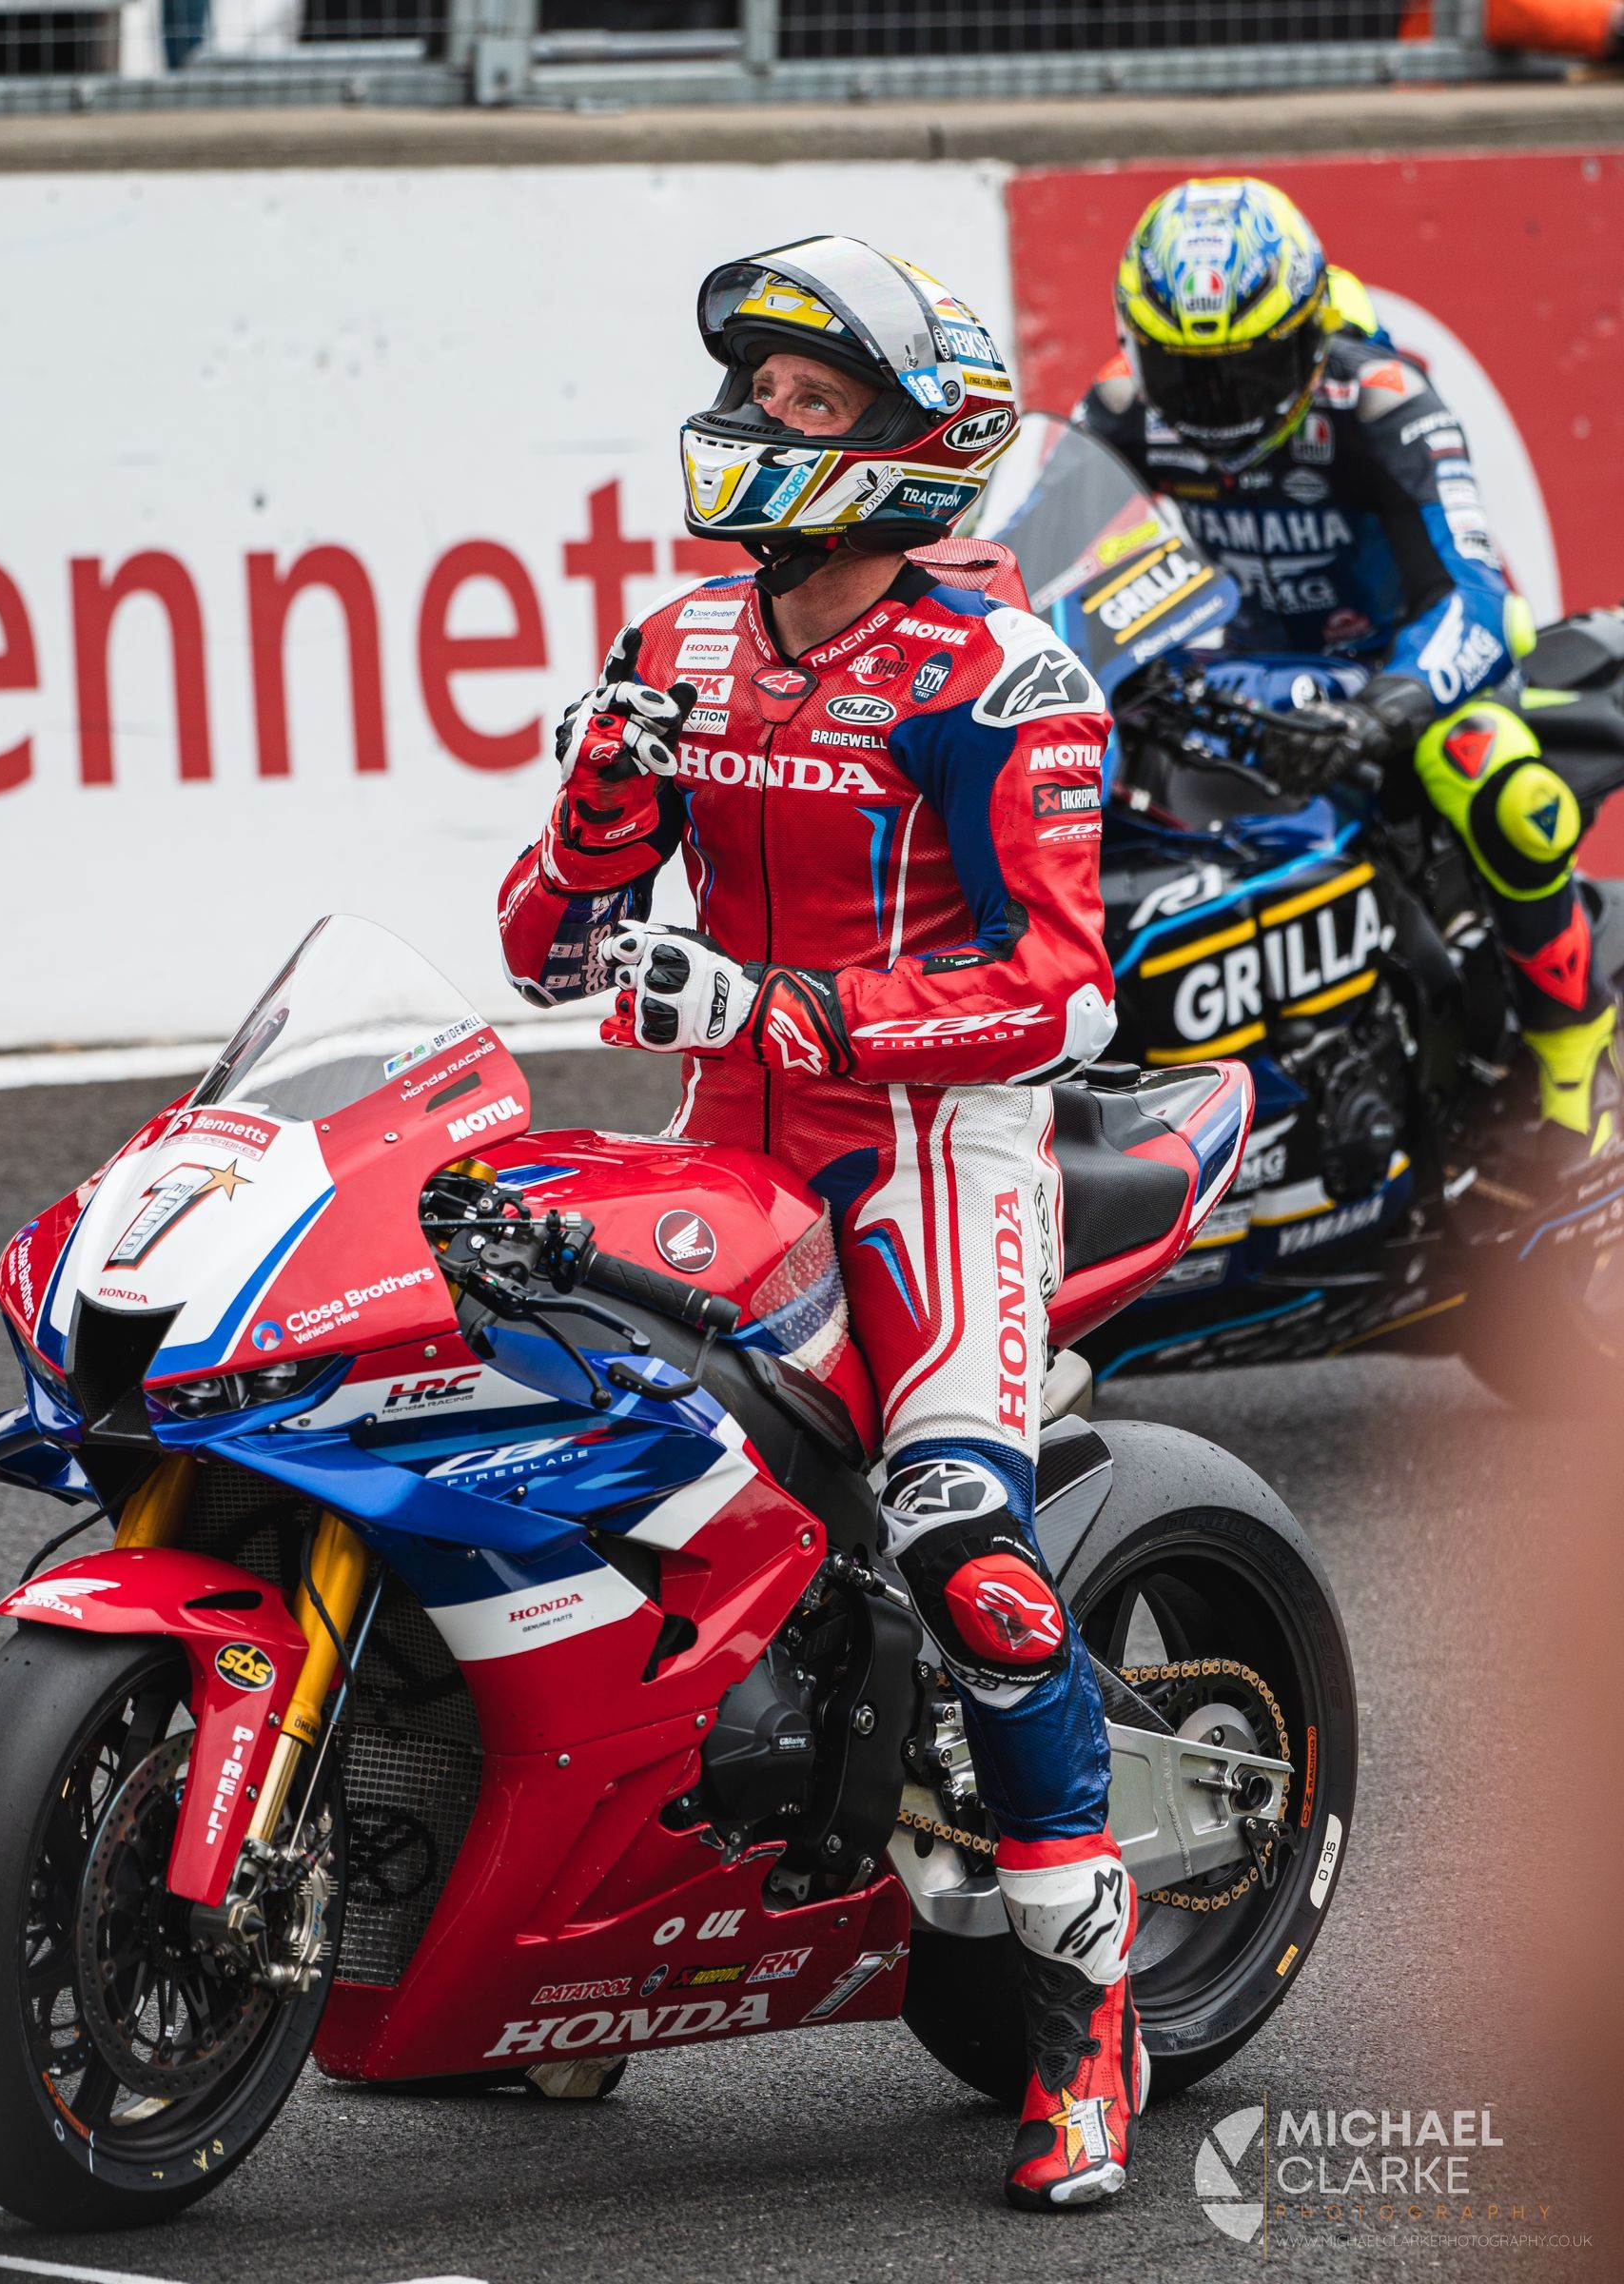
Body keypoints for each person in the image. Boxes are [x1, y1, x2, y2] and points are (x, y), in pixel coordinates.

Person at [499, 237, 1145, 2209]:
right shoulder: (679, 641)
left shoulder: (1002, 677)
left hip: (935, 1166)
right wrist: (598, 807)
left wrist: (792, 1009)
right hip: (722, 1149)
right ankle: (589, 1962)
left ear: (908, 446)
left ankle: (1084, 2022)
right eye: (757, 392)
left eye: (804, 400)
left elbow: (1069, 993)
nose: (754, 422)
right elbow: (544, 950)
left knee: (970, 1556)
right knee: (580, 1487)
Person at [1076, 175, 1619, 1164]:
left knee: (1503, 784)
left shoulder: (1382, 400)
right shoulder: (1116, 406)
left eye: (1247, 372)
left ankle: (1575, 1071)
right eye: (1185, 376)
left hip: (1400, 671)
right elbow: (1061, 574)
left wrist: (1386, 707)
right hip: (1243, 680)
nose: (1215, 408)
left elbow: (1475, 598)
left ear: (1311, 333)